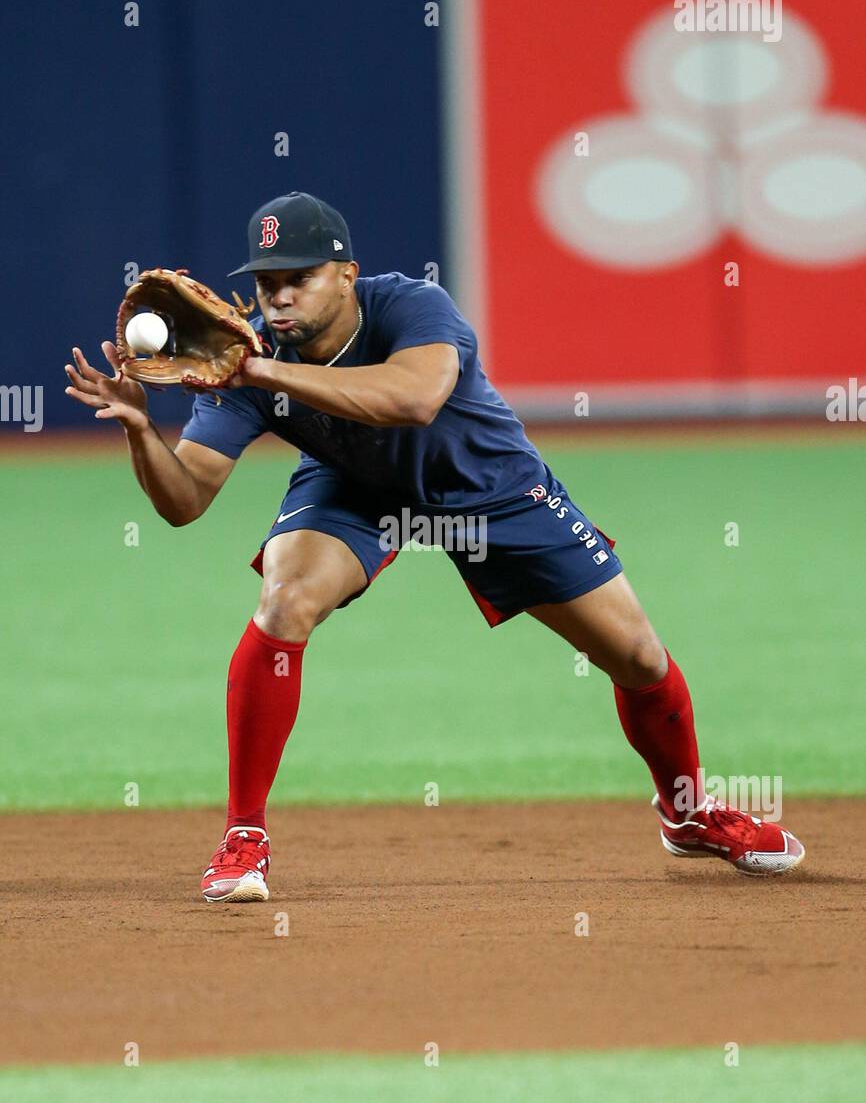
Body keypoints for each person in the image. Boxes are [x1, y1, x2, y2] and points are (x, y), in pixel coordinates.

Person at [65, 191, 805, 902]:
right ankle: (243, 834)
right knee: (285, 599)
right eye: (266, 283)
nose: (279, 297)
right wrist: (141, 432)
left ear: (347, 275)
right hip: (355, 487)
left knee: (639, 657)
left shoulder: (407, 305)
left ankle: (688, 813)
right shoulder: (244, 361)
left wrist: (260, 372)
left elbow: (414, 400)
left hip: (490, 486)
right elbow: (184, 501)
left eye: (299, 278)